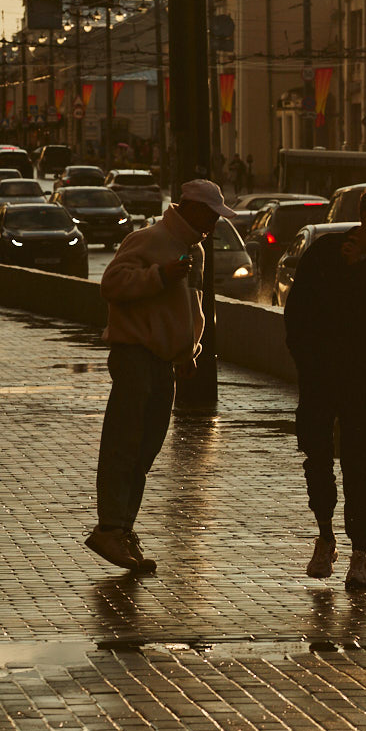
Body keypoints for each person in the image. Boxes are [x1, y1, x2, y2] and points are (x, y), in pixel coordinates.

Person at [86, 179, 237, 572]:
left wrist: (188, 351)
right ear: (189, 208)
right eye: (209, 215)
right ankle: (110, 528)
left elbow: (193, 307)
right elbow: (112, 284)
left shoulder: (195, 251)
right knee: (124, 443)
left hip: (165, 363)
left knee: (145, 450)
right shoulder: (148, 239)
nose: (212, 225)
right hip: (135, 354)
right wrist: (160, 275)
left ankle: (122, 529)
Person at [284, 184, 366, 590]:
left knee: (358, 468)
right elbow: (299, 310)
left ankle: (361, 553)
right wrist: (305, 360)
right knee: (317, 460)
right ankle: (325, 537)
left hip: (361, 380)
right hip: (319, 376)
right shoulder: (324, 253)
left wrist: (363, 268)